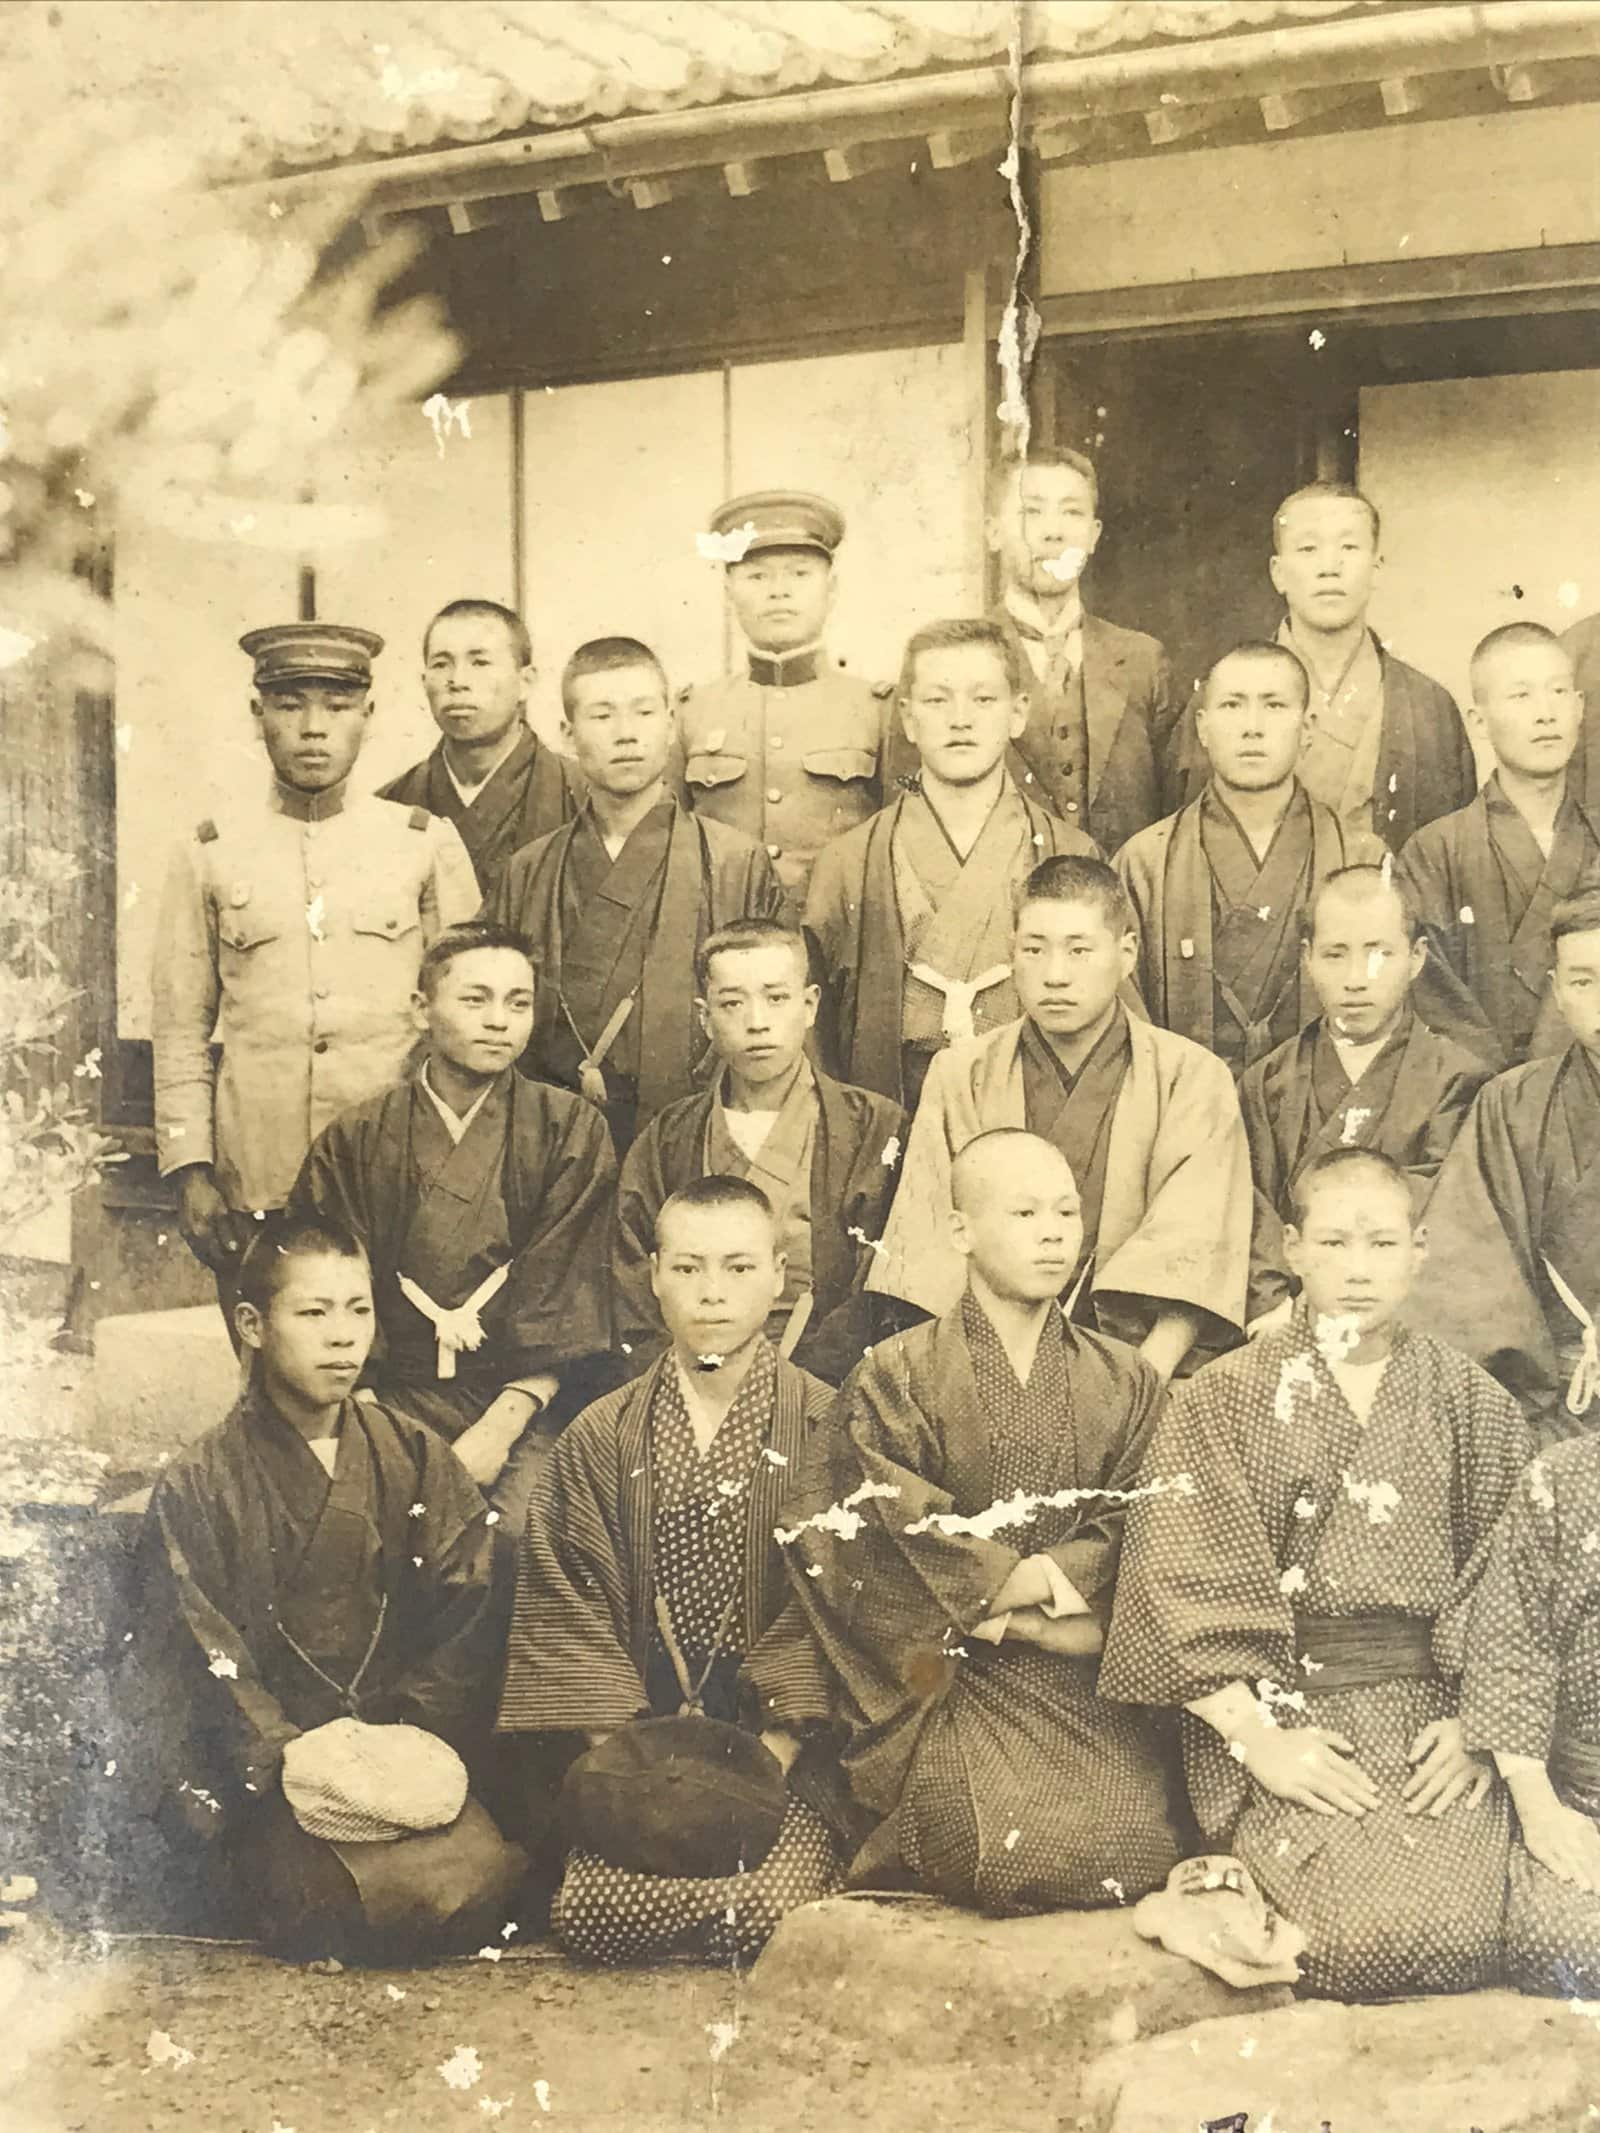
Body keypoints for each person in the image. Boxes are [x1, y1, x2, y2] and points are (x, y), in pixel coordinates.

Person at [1100, 1146, 1532, 2002]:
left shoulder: (1473, 1399)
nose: (1358, 1270)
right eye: (1334, 1244)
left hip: (1431, 1712)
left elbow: (1516, 1585)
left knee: (1477, 1925)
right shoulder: (1219, 1396)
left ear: (1419, 1251)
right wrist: (1261, 1743)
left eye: (1381, 1244)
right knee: (1343, 1939)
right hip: (1281, 1709)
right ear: (1292, 1250)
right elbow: (1175, 1583)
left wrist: (1480, 1724)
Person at [746, 1130, 1183, 1916]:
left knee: (1138, 1840)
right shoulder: (895, 1372)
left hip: (1084, 1678)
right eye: (1024, 1211)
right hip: (940, 1681)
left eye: (1066, 1210)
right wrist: (1022, 1610)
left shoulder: (1127, 1377)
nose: (1054, 1231)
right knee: (1000, 1845)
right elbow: (869, 1529)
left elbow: (1149, 1514)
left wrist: (1044, 1587)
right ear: (960, 1231)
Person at [123, 1215, 526, 1961]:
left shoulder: (412, 1453)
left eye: (359, 1309)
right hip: (282, 1782)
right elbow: (198, 1648)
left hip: (397, 1765)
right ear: (251, 1323)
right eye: (313, 1313)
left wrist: (400, 1741)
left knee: (480, 1878)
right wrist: (294, 1759)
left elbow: (468, 1605)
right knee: (337, 1896)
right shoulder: (201, 1481)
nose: (343, 1336)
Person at [499, 1177, 843, 1962]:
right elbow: (569, 1608)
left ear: (781, 1276)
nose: (711, 1293)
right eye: (687, 1268)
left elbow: (838, 1611)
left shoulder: (831, 1423)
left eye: (737, 1267)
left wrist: (766, 1763)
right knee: (588, 1913)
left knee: (768, 1911)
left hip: (782, 1759)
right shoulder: (598, 1436)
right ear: (652, 1274)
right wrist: (638, 1777)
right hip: (639, 1762)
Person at [153, 622, 478, 1309]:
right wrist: (189, 1167)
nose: (311, 728)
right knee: (268, 1375)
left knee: (386, 1387)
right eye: (289, 704)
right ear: (257, 713)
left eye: (335, 706)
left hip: (395, 1173)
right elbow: (181, 1023)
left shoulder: (422, 844)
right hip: (257, 1176)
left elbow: (469, 1016)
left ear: (368, 714)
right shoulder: (210, 852)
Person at [874, 854, 1249, 1381]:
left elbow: (1195, 1256)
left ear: (1126, 953)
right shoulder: (961, 1074)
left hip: (1144, 1364)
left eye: (1079, 951)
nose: (1054, 976)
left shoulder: (1190, 1077)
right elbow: (928, 1251)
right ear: (1011, 953)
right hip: (983, 1363)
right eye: (1034, 950)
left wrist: (1136, 1388)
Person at [293, 923, 616, 1494]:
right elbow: (322, 1287)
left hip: (521, 1398)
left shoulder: (570, 1129)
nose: (499, 1020)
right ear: (422, 1008)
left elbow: (566, 1295)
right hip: (379, 1396)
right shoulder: (358, 1136)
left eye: (518, 1003)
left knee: (523, 1528)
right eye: (475, 999)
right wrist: (370, 1419)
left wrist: (499, 1429)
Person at [484, 636, 782, 1155]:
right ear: (568, 734)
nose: (626, 734)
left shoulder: (736, 861)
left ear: (671, 725)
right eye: (602, 716)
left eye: (643, 712)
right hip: (549, 1142)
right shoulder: (527, 872)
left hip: (700, 1135)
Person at [805, 617, 1097, 1111]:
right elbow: (816, 1032)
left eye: (983, 699)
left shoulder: (1071, 853)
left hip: (1030, 1110)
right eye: (938, 700)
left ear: (1018, 713)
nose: (960, 719)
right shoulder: (849, 861)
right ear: (909, 718)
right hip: (891, 1116)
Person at [612, 917, 904, 1386]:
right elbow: (633, 1281)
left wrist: (797, 1386)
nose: (757, 1021)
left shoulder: (872, 1126)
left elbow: (884, 1286)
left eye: (776, 997)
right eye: (732, 1003)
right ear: (705, 1017)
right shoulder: (670, 1136)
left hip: (826, 1387)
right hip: (687, 1382)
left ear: (809, 1006)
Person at [1239, 865, 1489, 1335]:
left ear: (1416, 958)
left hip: (1404, 1321)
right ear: (1307, 958)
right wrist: (1273, 1301)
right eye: (1335, 955)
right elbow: (1248, 1204)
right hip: (1282, 1317)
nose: (1356, 979)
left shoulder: (1457, 1080)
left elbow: (1442, 1217)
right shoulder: (1267, 1080)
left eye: (1379, 954)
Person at [1116, 639, 1384, 1078]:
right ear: (1202, 727)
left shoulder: (1362, 858)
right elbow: (1124, 1022)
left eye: (1275, 705)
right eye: (1232, 705)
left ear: (1309, 727)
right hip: (1185, 1114)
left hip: (1320, 1115)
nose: (1252, 727)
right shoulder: (1144, 862)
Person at [1171, 481, 1475, 851]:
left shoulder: (1429, 706)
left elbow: (1453, 852)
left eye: (1349, 547)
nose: (1329, 567)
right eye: (1308, 548)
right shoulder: (1218, 697)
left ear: (1376, 568)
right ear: (1278, 572)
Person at [1405, 888, 1600, 1446]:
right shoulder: (1511, 1104)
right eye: (1583, 981)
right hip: (1555, 1402)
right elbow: (1470, 1274)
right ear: (1557, 991)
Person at [1397, 622, 1600, 1070]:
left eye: (1559, 692)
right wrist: (1507, 1102)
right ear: (1479, 721)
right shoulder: (1435, 853)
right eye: (1521, 695)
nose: (1545, 713)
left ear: (1580, 708)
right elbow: (1429, 998)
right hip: (1472, 1103)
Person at [678, 490, 889, 919]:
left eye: (798, 574)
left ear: (831, 589)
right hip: (723, 940)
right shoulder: (692, 712)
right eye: (757, 577)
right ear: (728, 592)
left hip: (836, 941)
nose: (778, 592)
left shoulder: (877, 710)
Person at [1458, 1433, 1600, 1997]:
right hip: (1584, 1794)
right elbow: (1512, 1648)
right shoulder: (1559, 1480)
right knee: (1567, 1940)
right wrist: (1541, 1810)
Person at [987, 447, 1177, 854]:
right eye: (1031, 512)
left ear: (1093, 536)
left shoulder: (1143, 662)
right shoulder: (955, 660)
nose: (1052, 531)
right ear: (994, 532)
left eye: (1071, 513)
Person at [379, 598, 581, 902]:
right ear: (424, 682)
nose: (458, 681)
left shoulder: (583, 795)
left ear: (525, 682)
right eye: (441, 664)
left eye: (480, 662)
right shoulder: (389, 806)